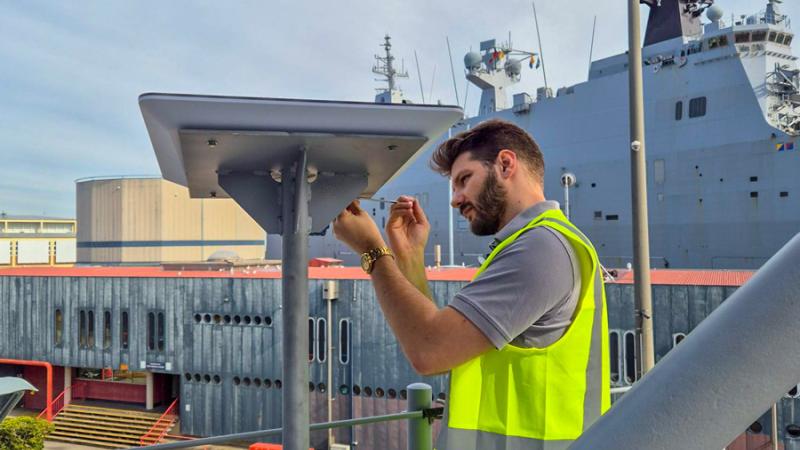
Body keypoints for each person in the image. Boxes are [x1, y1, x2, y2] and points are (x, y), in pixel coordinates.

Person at [333, 119, 609, 450]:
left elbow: (429, 352)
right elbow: (444, 349)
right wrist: (408, 257)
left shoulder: (540, 249)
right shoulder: (536, 243)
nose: (455, 200)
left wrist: (373, 252)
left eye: (464, 179)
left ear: (506, 164)